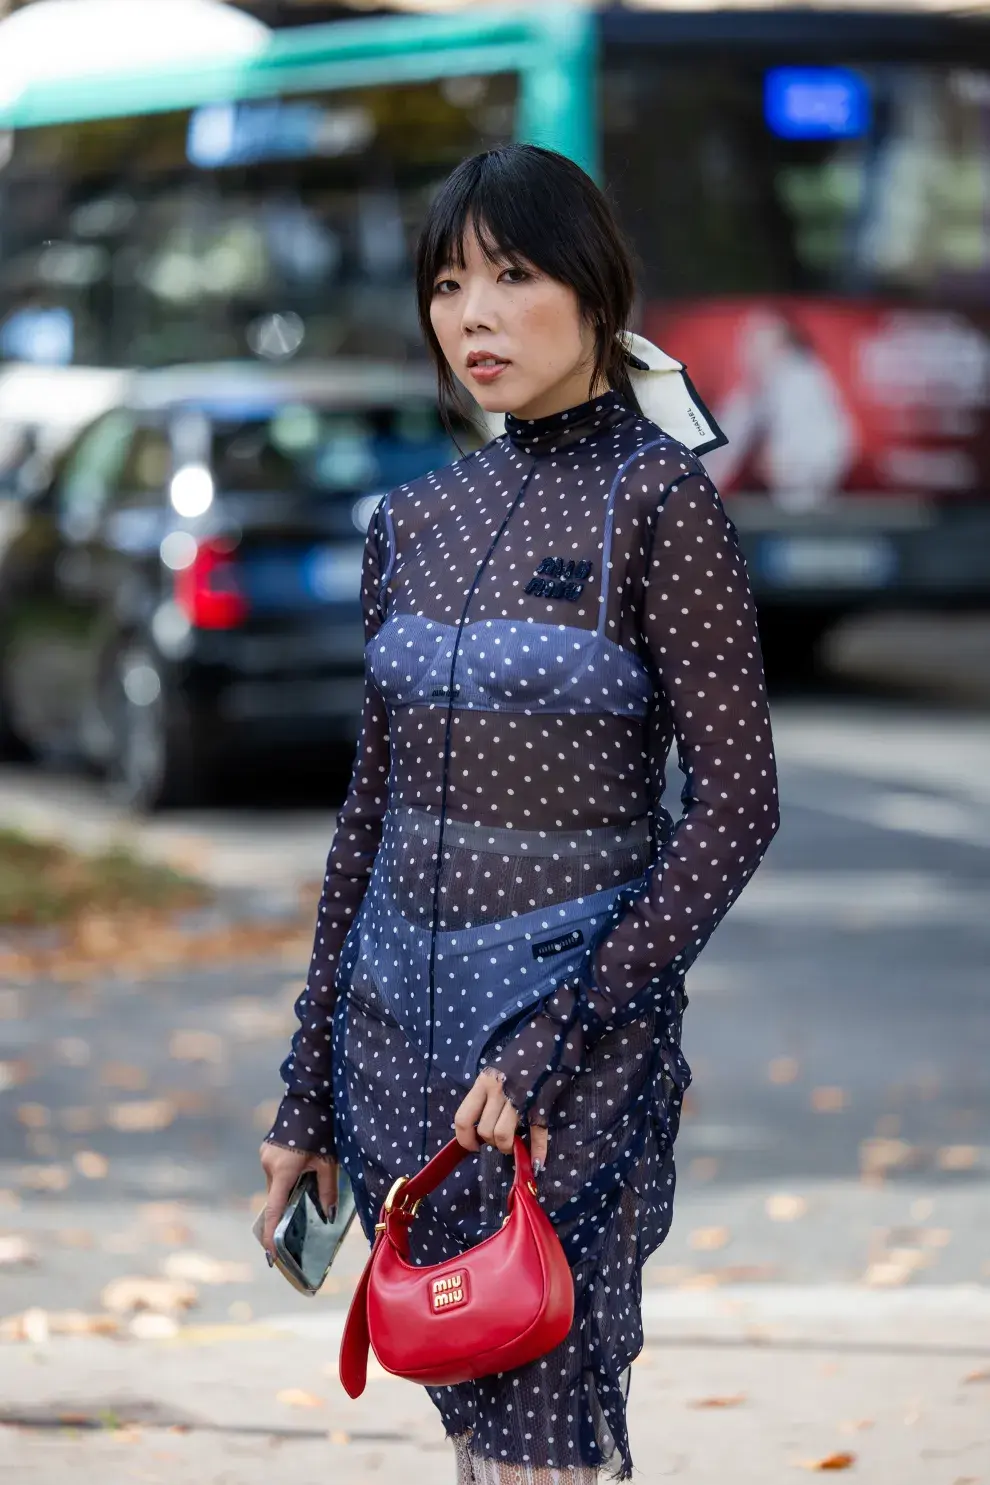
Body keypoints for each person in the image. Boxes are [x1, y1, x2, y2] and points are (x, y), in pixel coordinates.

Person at [260, 143, 780, 1483]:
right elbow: (365, 820)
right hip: (393, 1064)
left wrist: (566, 1031)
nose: (472, 315)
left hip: (563, 1064)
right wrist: (304, 1093)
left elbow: (736, 807)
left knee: (548, 1427)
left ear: (594, 287)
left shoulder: (659, 507)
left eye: (510, 274)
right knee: (475, 1425)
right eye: (445, 283)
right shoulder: (414, 518)